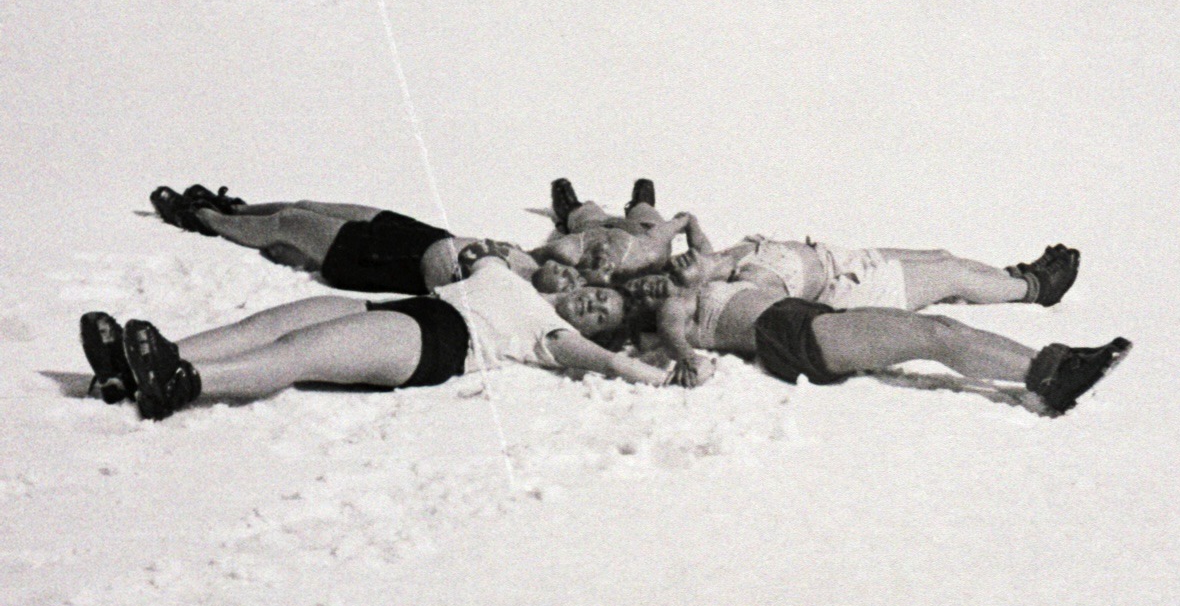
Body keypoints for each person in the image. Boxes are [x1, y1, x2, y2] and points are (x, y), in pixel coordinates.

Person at [79, 248, 674, 421]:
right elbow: (463, 258)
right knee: (268, 324)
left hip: (437, 340)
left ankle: (183, 383)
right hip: (401, 305)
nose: (592, 301)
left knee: (298, 353)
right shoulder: (507, 271)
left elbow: (603, 362)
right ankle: (135, 367)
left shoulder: (551, 330)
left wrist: (655, 369)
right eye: (600, 292)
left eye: (601, 312)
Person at [649, 277, 1128, 414]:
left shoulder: (699, 280)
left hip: (806, 322)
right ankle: (1049, 376)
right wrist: (688, 357)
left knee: (936, 327)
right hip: (793, 337)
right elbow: (676, 340)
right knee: (931, 335)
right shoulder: (671, 309)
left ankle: (1053, 364)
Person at [149, 184, 590, 295]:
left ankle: (202, 219)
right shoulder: (538, 260)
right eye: (574, 276)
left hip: (390, 261)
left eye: (568, 286)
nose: (567, 276)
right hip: (419, 233)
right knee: (308, 204)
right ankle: (236, 208)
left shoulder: (516, 292)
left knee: (289, 223)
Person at [655, 237, 1080, 312]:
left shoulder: (720, 255)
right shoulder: (740, 286)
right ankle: (1035, 289)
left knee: (940, 256)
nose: (681, 263)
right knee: (950, 276)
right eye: (681, 274)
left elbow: (672, 228)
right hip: (850, 288)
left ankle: (1007, 278)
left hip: (842, 257)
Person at [536, 178, 713, 286]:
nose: (602, 259)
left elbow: (525, 256)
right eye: (607, 268)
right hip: (643, 228)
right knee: (644, 210)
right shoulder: (647, 253)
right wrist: (687, 222)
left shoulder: (569, 251)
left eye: (593, 264)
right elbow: (689, 231)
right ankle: (639, 203)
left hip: (594, 226)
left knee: (585, 212)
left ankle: (570, 208)